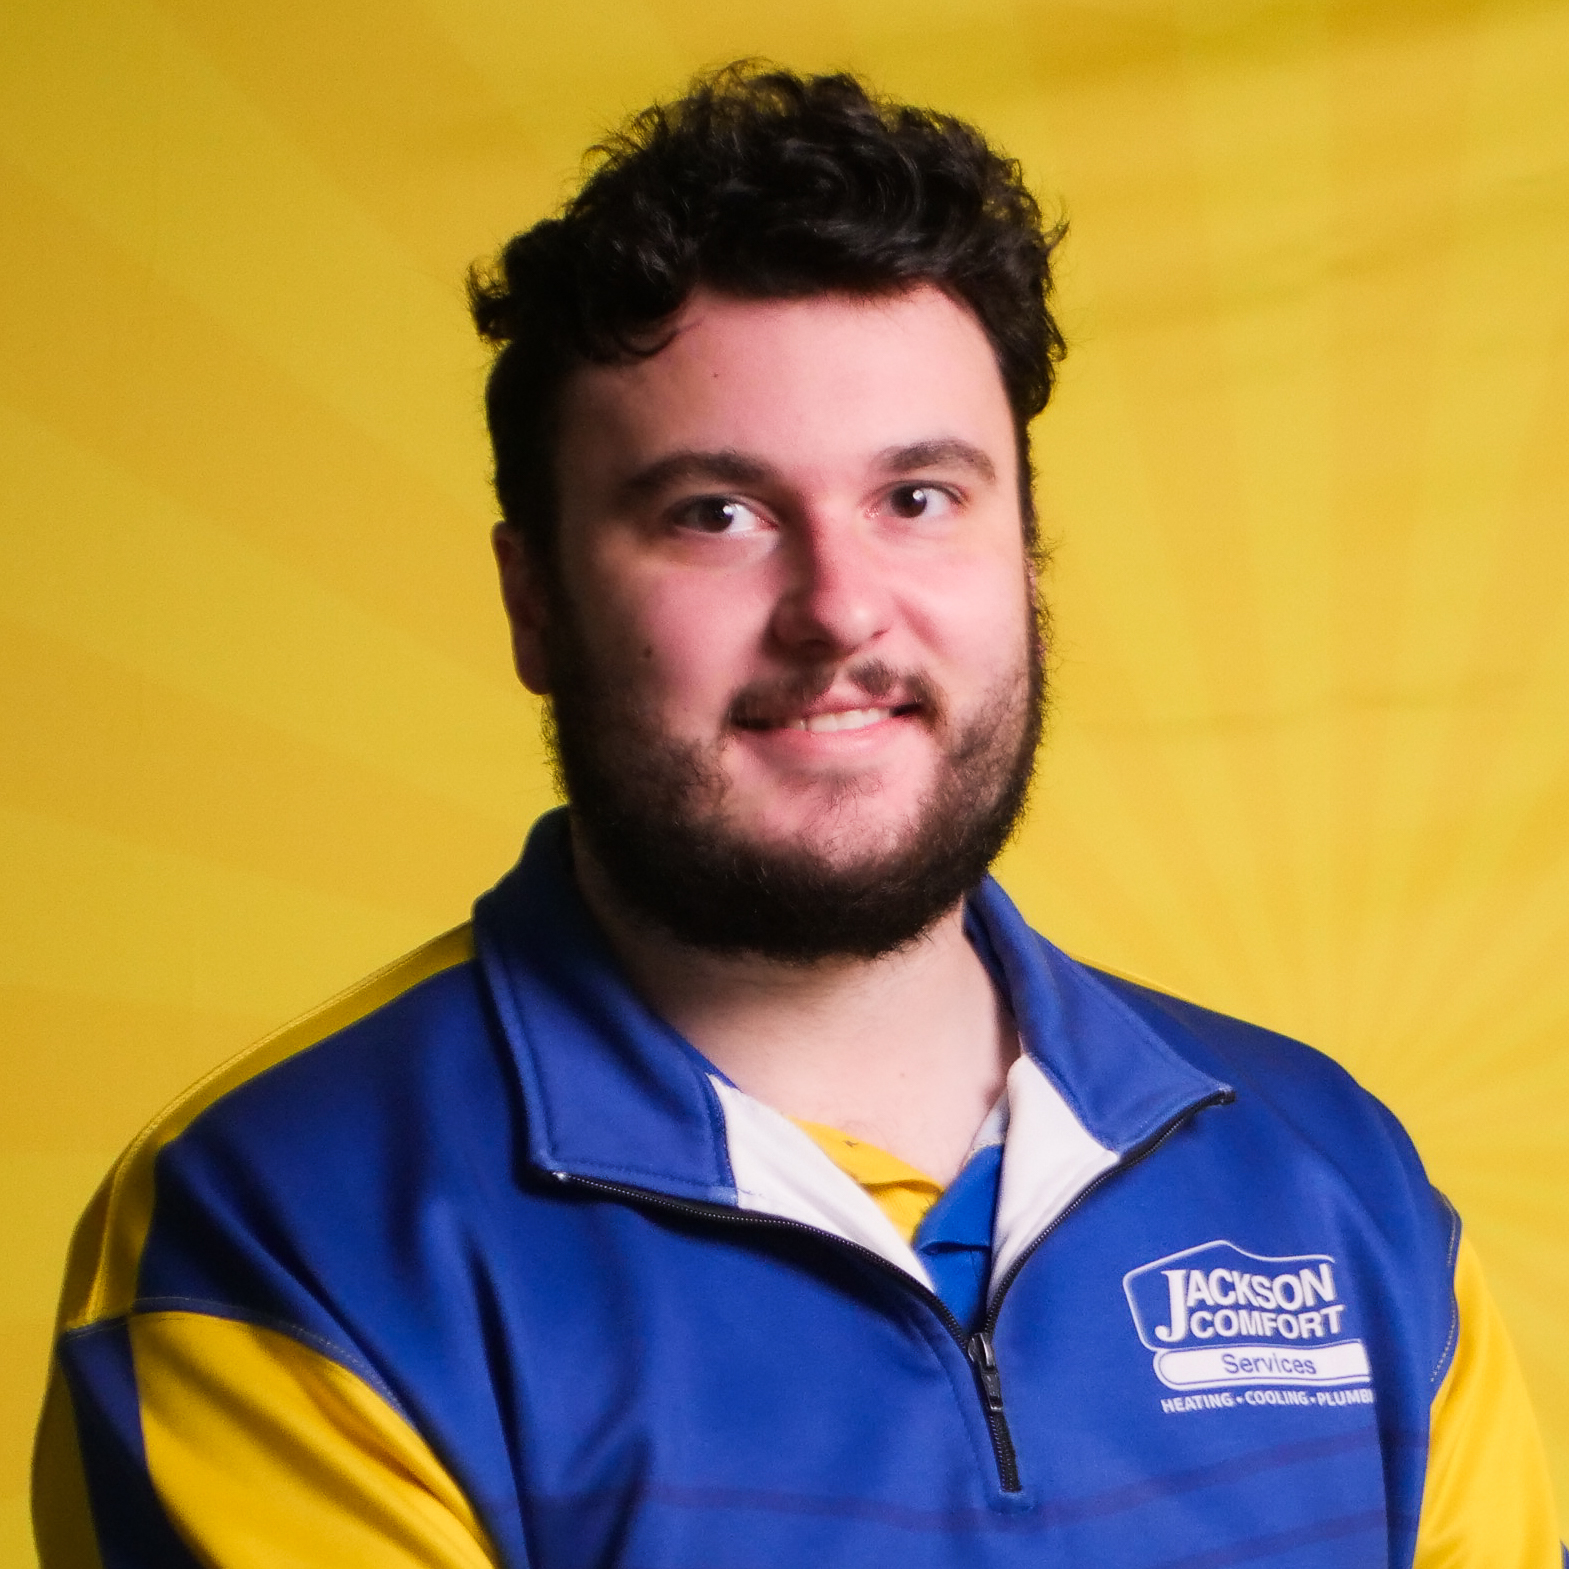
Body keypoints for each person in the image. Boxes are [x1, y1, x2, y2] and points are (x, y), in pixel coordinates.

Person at [33, 63, 1561, 1569]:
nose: (839, 611)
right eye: (716, 514)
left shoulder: (1333, 1177)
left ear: (1024, 555)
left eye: (918, 497)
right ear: (535, 604)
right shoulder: (286, 1232)